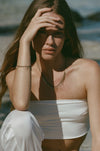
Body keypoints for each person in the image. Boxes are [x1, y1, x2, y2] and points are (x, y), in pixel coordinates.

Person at [0, 0, 100, 151]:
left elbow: (98, 138)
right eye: (41, 32)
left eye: (57, 33)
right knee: (21, 120)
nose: (50, 42)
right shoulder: (15, 74)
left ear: (67, 36)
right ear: (30, 31)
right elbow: (21, 104)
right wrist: (25, 41)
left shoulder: (87, 71)